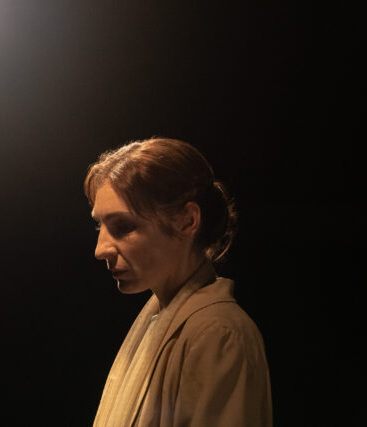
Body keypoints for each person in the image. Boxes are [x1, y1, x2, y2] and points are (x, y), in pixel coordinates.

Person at [85, 138, 272, 426]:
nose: (100, 249)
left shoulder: (217, 334)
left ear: (187, 221)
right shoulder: (162, 322)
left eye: (123, 226)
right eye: (100, 225)